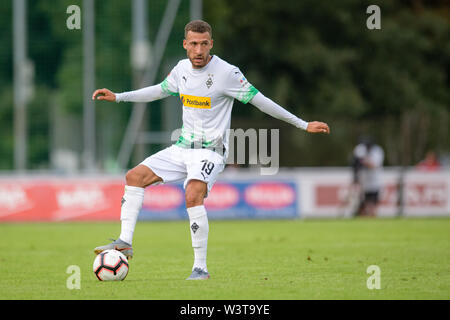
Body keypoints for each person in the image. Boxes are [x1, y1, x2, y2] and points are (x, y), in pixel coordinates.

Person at [92, 20, 330, 280]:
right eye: (193, 44)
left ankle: (200, 268)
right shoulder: (181, 69)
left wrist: (303, 124)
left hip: (211, 152)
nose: (198, 50)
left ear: (211, 44)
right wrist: (119, 96)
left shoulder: (227, 73)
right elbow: (158, 91)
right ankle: (125, 241)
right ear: (185, 45)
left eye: (204, 44)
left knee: (193, 193)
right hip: (182, 147)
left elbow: (263, 103)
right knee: (134, 177)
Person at [352, 137, 384, 217]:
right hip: (364, 182)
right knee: (364, 203)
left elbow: (373, 165)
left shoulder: (377, 151)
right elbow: (355, 163)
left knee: (373, 204)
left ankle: (372, 217)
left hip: (374, 182)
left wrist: (363, 161)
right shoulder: (360, 149)